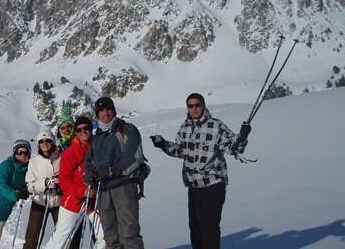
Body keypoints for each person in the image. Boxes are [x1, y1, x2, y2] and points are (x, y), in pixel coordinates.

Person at [150, 93, 251, 249]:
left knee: (209, 226)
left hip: (213, 182)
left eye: (197, 105)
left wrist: (242, 136)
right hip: (194, 185)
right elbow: (180, 151)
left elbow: (234, 149)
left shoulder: (216, 126)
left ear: (203, 105)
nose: (194, 108)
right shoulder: (185, 127)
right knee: (195, 228)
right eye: (191, 106)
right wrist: (163, 144)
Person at [84, 97, 146, 249]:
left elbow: (134, 156)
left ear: (114, 110)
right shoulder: (96, 137)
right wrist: (90, 174)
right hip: (103, 190)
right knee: (110, 236)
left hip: (124, 186)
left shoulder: (126, 129)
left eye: (108, 109)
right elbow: (88, 160)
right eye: (101, 111)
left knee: (128, 234)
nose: (105, 113)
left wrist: (112, 170)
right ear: (97, 115)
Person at [45, 116, 106, 249]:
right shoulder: (70, 152)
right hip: (73, 201)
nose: (83, 132)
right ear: (76, 132)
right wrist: (83, 192)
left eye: (86, 128)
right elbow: (64, 180)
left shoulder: (97, 148)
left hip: (94, 200)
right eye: (79, 129)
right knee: (61, 238)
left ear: (91, 129)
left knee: (106, 234)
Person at [22, 127, 62, 249]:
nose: (45, 144)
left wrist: (60, 183)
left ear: (53, 142)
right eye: (41, 141)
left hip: (59, 201)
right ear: (38, 144)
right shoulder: (33, 162)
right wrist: (44, 183)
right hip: (39, 201)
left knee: (63, 233)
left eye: (48, 140)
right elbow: (29, 185)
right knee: (32, 236)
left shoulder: (62, 157)